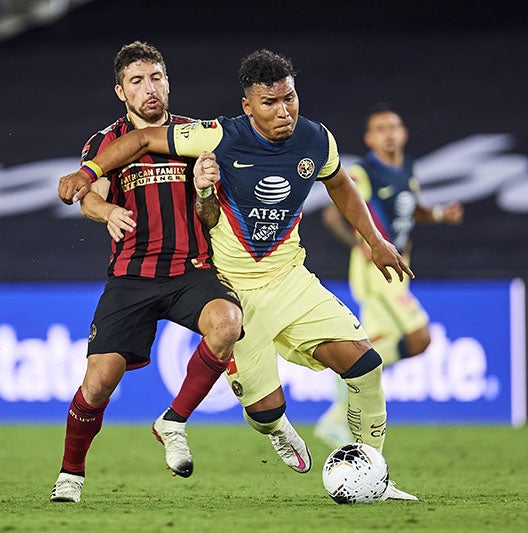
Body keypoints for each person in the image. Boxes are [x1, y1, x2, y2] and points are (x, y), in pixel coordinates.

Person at [59, 49, 418, 501]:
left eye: (290, 98)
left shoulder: (315, 139)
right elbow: (143, 141)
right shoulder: (216, 135)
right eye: (270, 103)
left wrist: (375, 239)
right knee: (266, 413)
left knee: (366, 366)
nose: (284, 110)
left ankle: (374, 476)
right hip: (232, 288)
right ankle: (269, 425)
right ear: (248, 106)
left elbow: (340, 183)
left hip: (289, 279)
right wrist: (92, 175)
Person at [50, 41, 245, 503]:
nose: (149, 89)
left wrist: (203, 193)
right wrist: (107, 212)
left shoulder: (195, 135)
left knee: (228, 323)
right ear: (121, 91)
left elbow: (212, 217)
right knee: (97, 385)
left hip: (190, 271)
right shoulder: (104, 142)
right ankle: (70, 474)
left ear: (168, 81)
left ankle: (173, 421)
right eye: (137, 81)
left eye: (156, 78)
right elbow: (90, 197)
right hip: (132, 276)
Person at [314, 104, 463, 448]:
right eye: (381, 128)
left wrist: (440, 214)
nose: (389, 133)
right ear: (370, 138)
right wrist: (361, 242)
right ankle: (340, 403)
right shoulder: (363, 172)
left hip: (398, 271)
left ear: (404, 133)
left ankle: (343, 393)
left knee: (381, 346)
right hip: (377, 274)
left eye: (394, 126)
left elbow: (410, 210)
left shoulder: (408, 169)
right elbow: (332, 215)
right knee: (420, 337)